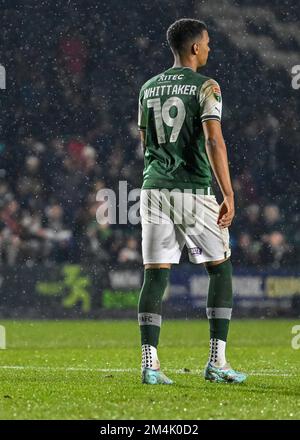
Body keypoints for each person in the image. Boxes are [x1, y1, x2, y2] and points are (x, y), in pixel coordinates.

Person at [137, 18, 247, 385]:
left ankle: (150, 366)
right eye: (208, 43)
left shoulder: (148, 87)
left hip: (153, 189)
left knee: (155, 276)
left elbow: (145, 143)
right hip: (193, 190)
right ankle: (217, 361)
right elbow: (214, 141)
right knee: (220, 268)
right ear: (195, 48)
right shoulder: (207, 87)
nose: (210, 49)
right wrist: (228, 193)